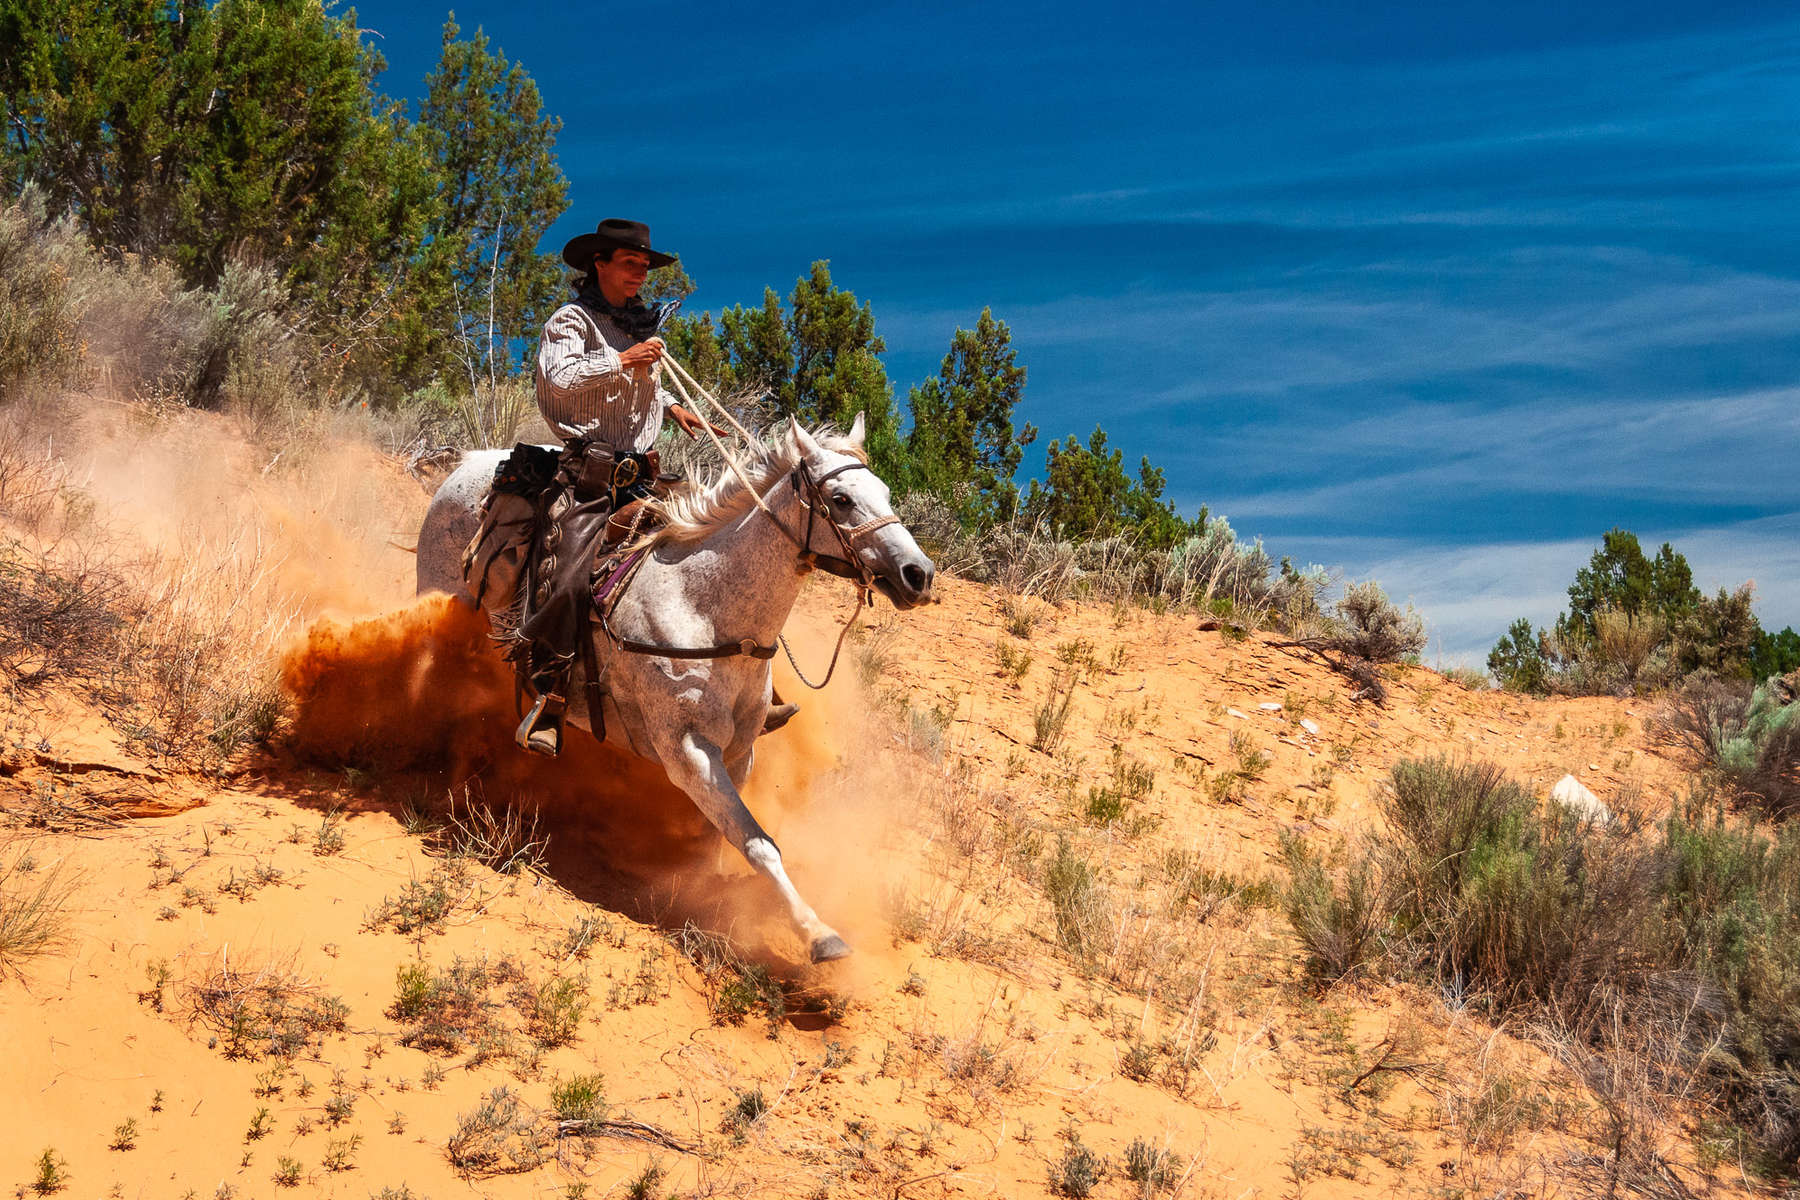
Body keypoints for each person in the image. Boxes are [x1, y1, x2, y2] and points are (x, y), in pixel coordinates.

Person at [513, 218, 793, 755]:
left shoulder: (636, 324)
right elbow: (558, 378)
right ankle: (548, 698)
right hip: (588, 477)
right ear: (600, 264)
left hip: (642, 475)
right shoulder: (571, 321)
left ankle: (756, 689)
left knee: (729, 550)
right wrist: (620, 359)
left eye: (644, 265)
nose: (640, 273)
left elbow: (641, 388)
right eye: (630, 263)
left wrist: (673, 408)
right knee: (571, 575)